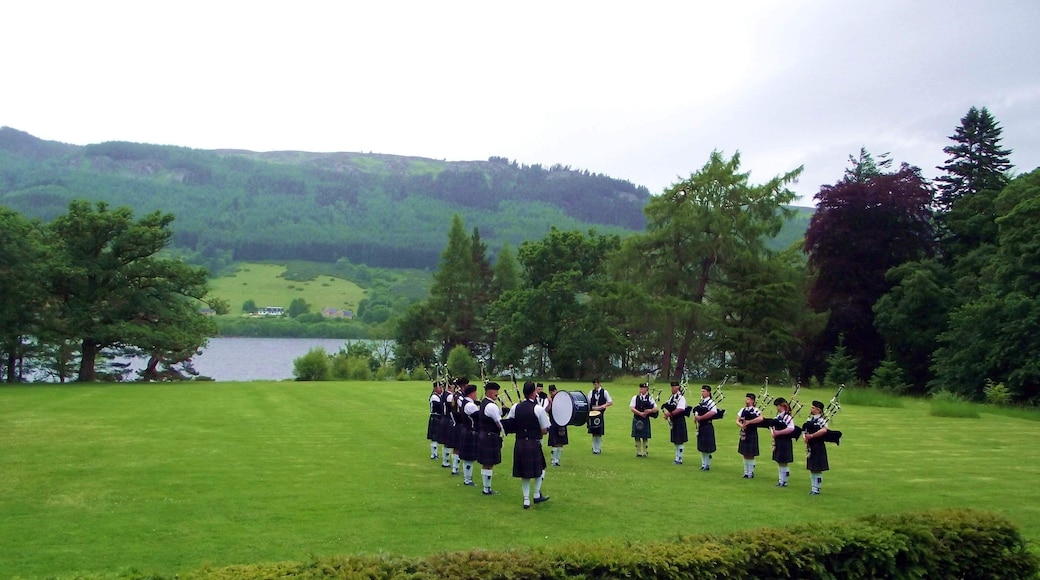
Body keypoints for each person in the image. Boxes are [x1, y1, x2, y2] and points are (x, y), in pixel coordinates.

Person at [508, 381, 551, 508]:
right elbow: (544, 429)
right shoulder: (538, 409)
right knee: (540, 469)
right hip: (533, 443)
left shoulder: (515, 407)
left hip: (520, 443)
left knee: (524, 474)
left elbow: (510, 423)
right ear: (534, 393)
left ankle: (526, 500)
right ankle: (537, 494)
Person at [476, 381, 507, 495]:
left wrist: (503, 412)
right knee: (488, 463)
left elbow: (496, 417)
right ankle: (486, 489)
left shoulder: (485, 403)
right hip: (490, 436)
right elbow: (499, 424)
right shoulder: (491, 406)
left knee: (487, 463)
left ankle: (486, 488)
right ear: (489, 392)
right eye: (495, 391)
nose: (497, 394)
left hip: (485, 435)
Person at [803, 400, 830, 495]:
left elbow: (824, 430)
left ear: (818, 410)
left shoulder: (823, 420)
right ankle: (813, 488)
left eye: (813, 408)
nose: (811, 409)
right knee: (812, 467)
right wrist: (805, 437)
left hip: (818, 445)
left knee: (817, 468)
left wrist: (812, 436)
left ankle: (817, 488)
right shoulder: (811, 419)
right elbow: (805, 430)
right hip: (811, 445)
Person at [456, 382, 480, 486]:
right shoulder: (471, 405)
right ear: (472, 393)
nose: (476, 394)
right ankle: (468, 480)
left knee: (468, 458)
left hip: (466, 431)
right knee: (469, 458)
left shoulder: (464, 402)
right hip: (470, 431)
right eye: (476, 392)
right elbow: (480, 418)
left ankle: (467, 478)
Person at [736, 392, 764, 478]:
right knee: (744, 453)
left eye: (748, 399)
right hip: (744, 433)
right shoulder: (743, 410)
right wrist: (742, 425)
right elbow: (737, 420)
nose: (746, 400)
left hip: (752, 432)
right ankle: (746, 472)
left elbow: (761, 418)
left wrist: (749, 422)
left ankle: (750, 472)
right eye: (746, 398)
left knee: (751, 454)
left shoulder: (756, 410)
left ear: (752, 401)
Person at [769, 397, 796, 487]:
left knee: (783, 461)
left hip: (785, 440)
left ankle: (784, 481)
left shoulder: (788, 417)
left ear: (781, 406)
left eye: (777, 406)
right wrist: (773, 432)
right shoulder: (779, 416)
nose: (776, 408)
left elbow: (791, 428)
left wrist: (778, 432)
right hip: (779, 440)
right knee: (779, 461)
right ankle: (781, 480)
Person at [692, 385, 718, 470]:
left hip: (707, 425)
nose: (702, 393)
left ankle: (707, 465)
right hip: (701, 425)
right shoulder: (702, 401)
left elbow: (713, 412)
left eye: (704, 391)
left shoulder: (711, 402)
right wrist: (696, 416)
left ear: (708, 392)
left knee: (706, 446)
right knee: (702, 446)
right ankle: (703, 464)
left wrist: (701, 418)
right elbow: (697, 410)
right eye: (702, 391)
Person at [661, 381, 688, 464]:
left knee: (679, 440)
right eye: (671, 387)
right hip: (674, 420)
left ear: (677, 388)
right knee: (675, 440)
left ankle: (679, 458)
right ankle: (677, 456)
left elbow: (680, 409)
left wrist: (670, 414)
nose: (672, 389)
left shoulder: (681, 398)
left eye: (673, 387)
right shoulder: (672, 397)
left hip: (679, 420)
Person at [630, 382, 657, 457]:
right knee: (637, 436)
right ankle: (638, 452)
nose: (641, 389)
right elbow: (632, 408)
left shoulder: (650, 398)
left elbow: (656, 408)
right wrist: (640, 413)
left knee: (645, 436)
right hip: (637, 418)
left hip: (645, 419)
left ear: (646, 389)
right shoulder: (635, 397)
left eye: (643, 388)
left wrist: (650, 411)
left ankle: (645, 452)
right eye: (640, 388)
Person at [587, 379, 613, 454]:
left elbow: (610, 402)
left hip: (600, 414)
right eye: (594, 384)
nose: (595, 386)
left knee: (599, 432)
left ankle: (597, 449)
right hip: (592, 414)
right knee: (593, 432)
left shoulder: (604, 392)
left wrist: (603, 406)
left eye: (596, 384)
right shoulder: (591, 392)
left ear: (599, 384)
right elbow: (588, 402)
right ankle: (594, 447)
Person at [547, 384, 568, 466]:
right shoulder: (548, 400)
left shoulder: (562, 399)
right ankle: (553, 460)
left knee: (560, 443)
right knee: (554, 443)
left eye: (554, 391)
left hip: (562, 422)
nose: (553, 393)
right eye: (551, 392)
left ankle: (557, 460)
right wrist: (550, 402)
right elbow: (547, 409)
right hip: (553, 423)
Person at [428, 381, 445, 460]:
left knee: (437, 436)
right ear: (435, 388)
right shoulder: (434, 397)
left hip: (438, 417)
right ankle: (433, 454)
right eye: (440, 387)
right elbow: (439, 407)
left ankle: (435, 453)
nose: (441, 388)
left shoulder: (439, 396)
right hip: (435, 416)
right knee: (434, 437)